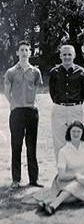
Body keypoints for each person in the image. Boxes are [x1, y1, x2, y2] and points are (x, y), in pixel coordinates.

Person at [28, 121, 84, 215]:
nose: (76, 134)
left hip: (82, 182)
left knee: (77, 194)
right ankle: (53, 206)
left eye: (78, 131)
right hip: (64, 181)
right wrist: (76, 175)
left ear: (83, 133)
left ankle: (48, 202)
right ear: (69, 133)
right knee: (75, 188)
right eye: (73, 131)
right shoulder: (63, 151)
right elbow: (62, 175)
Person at [4, 41, 43, 188]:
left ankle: (34, 180)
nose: (24, 52)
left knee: (31, 146)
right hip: (17, 113)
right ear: (17, 53)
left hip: (32, 112)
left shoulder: (35, 72)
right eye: (22, 50)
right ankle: (16, 180)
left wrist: (33, 103)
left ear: (30, 52)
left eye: (27, 49)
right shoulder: (11, 72)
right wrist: (13, 104)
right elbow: (7, 91)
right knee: (16, 145)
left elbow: (37, 88)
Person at [49, 45, 84, 164]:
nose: (67, 57)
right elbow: (52, 92)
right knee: (59, 141)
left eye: (69, 54)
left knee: (76, 139)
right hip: (59, 108)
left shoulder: (80, 71)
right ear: (60, 56)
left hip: (75, 108)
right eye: (64, 54)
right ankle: (62, 172)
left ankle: (75, 170)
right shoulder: (54, 72)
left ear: (74, 55)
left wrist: (75, 104)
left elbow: (82, 92)